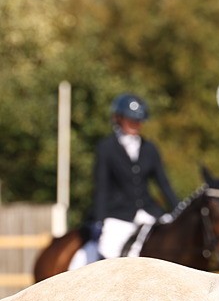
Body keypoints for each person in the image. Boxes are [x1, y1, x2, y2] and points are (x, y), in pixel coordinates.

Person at [72, 93, 180, 269]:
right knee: (109, 250)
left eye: (138, 120)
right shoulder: (106, 148)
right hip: (118, 215)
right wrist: (99, 220)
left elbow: (163, 184)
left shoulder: (150, 148)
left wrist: (178, 209)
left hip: (149, 212)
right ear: (118, 119)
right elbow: (102, 188)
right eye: (131, 120)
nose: (136, 124)